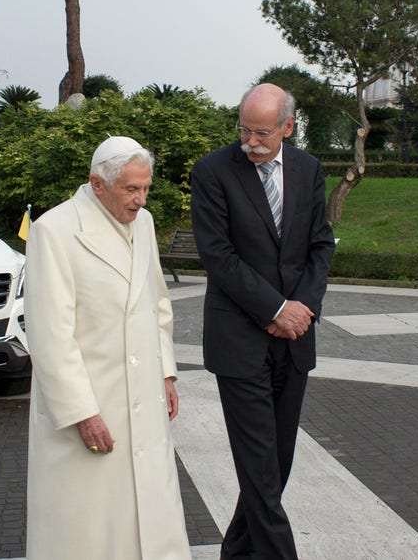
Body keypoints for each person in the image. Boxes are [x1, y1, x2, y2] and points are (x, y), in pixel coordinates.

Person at [24, 136, 192, 560]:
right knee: (88, 528)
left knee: (151, 520)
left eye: (146, 188)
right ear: (97, 184)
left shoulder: (146, 223)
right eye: (131, 190)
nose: (140, 200)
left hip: (143, 397)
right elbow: (49, 334)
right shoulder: (54, 230)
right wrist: (82, 412)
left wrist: (166, 373)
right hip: (91, 405)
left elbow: (156, 303)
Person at [189, 83, 335, 559]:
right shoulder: (212, 172)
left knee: (277, 465)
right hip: (240, 342)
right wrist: (275, 309)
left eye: (262, 133)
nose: (250, 141)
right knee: (260, 470)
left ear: (288, 127)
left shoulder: (309, 169)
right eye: (244, 130)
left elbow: (320, 246)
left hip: (293, 341)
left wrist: (300, 310)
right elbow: (219, 256)